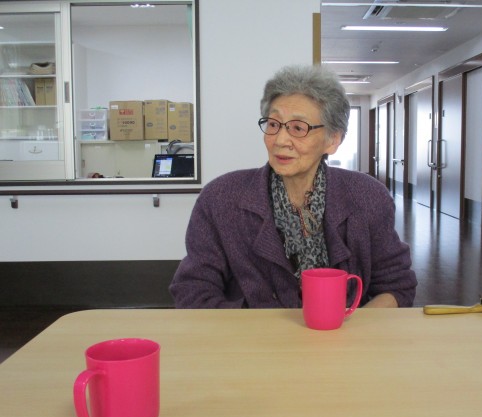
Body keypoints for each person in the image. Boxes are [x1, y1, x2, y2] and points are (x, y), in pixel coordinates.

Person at [170, 65, 417, 308]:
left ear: (333, 140)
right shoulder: (220, 198)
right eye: (273, 124)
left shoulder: (367, 196)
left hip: (343, 334)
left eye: (298, 128)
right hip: (252, 335)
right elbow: (193, 290)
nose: (280, 140)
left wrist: (355, 326)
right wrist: (258, 330)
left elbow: (396, 285)